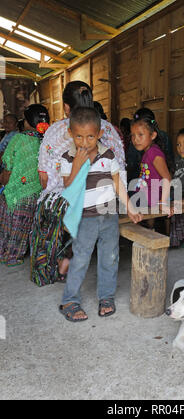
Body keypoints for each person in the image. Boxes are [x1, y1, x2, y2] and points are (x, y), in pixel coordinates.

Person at [31, 81, 126, 287]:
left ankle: (56, 260)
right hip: (106, 198)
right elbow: (120, 172)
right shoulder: (108, 129)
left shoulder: (55, 131)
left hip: (69, 198)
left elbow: (44, 179)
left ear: (66, 107)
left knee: (51, 206)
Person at [59, 107, 142, 322]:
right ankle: (70, 300)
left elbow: (117, 183)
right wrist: (77, 164)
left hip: (108, 216)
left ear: (99, 134)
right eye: (79, 136)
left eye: (90, 136)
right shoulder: (68, 157)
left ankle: (106, 297)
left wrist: (130, 207)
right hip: (85, 218)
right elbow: (67, 188)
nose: (84, 142)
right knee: (81, 259)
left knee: (110, 257)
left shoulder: (108, 155)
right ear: (70, 133)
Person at [0, 105, 49, 266]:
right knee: (26, 226)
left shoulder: (18, 139)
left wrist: (4, 181)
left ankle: (6, 254)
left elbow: (7, 166)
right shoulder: (47, 140)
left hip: (17, 191)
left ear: (26, 122)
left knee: (9, 225)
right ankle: (17, 255)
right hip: (38, 193)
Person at [130, 110, 173, 219]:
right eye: (133, 135)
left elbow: (167, 178)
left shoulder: (154, 153)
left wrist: (163, 203)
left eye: (140, 135)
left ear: (153, 135)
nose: (136, 139)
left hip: (150, 198)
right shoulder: (147, 152)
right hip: (145, 196)